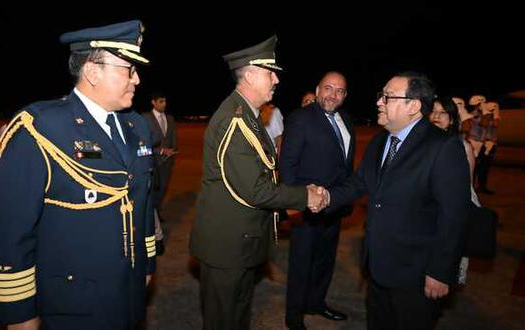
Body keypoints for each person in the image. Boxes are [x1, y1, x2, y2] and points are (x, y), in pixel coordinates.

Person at [0, 20, 156, 329]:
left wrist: (146, 263)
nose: (137, 79)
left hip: (129, 294)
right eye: (128, 69)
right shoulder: (42, 128)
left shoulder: (136, 126)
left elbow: (141, 202)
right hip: (73, 303)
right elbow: (11, 229)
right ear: (92, 71)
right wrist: (19, 313)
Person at [189, 35, 327, 330]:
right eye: (269, 72)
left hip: (240, 242)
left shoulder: (249, 116)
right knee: (223, 320)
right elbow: (256, 189)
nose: (276, 79)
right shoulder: (235, 120)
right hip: (226, 247)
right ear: (250, 75)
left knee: (237, 316)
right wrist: (306, 197)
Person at [329, 72, 470, 329]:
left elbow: (454, 217)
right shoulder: (380, 140)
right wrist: (321, 196)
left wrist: (439, 272)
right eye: (381, 96)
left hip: (416, 274)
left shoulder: (443, 147)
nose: (379, 102)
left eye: (388, 97)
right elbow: (359, 183)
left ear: (413, 106)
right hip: (378, 267)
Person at [280, 71, 354, 329]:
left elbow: (345, 165)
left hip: (334, 206)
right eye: (328, 88)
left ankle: (316, 302)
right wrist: (294, 202)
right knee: (302, 262)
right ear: (318, 88)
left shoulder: (346, 120)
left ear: (344, 96)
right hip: (307, 206)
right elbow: (288, 164)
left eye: (339, 91)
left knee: (325, 260)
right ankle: (294, 315)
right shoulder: (301, 118)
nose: (333, 95)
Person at [429, 96, 481, 285]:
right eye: (433, 112)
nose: (436, 116)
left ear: (451, 119)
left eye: (443, 113)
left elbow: (465, 190)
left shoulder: (462, 147)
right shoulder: (421, 145)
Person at [142, 92, 178, 256]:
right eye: (161, 101)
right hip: (152, 161)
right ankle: (154, 216)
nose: (164, 104)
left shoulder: (170, 119)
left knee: (162, 189)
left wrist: (172, 152)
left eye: (165, 101)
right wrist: (161, 150)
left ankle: (157, 211)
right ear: (153, 102)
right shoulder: (145, 118)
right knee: (152, 191)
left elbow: (173, 138)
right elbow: (144, 140)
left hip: (167, 162)